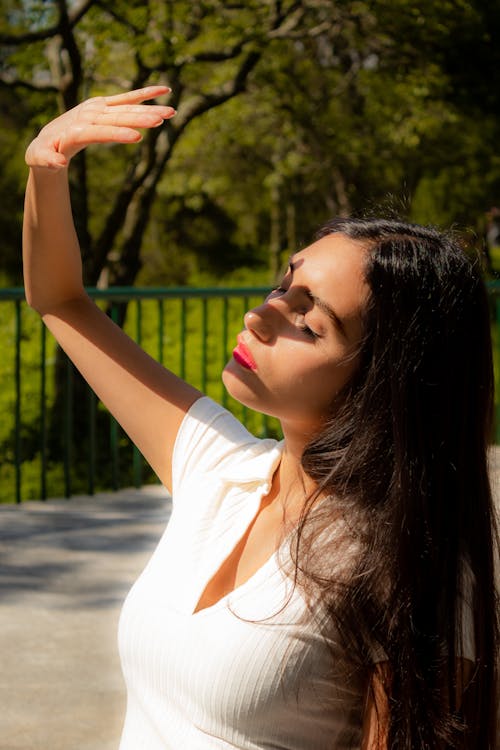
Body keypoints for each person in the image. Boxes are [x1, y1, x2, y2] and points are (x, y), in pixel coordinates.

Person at [23, 86, 499, 750]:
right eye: (284, 282)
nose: (260, 314)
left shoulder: (404, 557)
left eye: (308, 317)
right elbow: (60, 301)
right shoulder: (220, 470)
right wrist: (46, 168)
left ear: (385, 379)